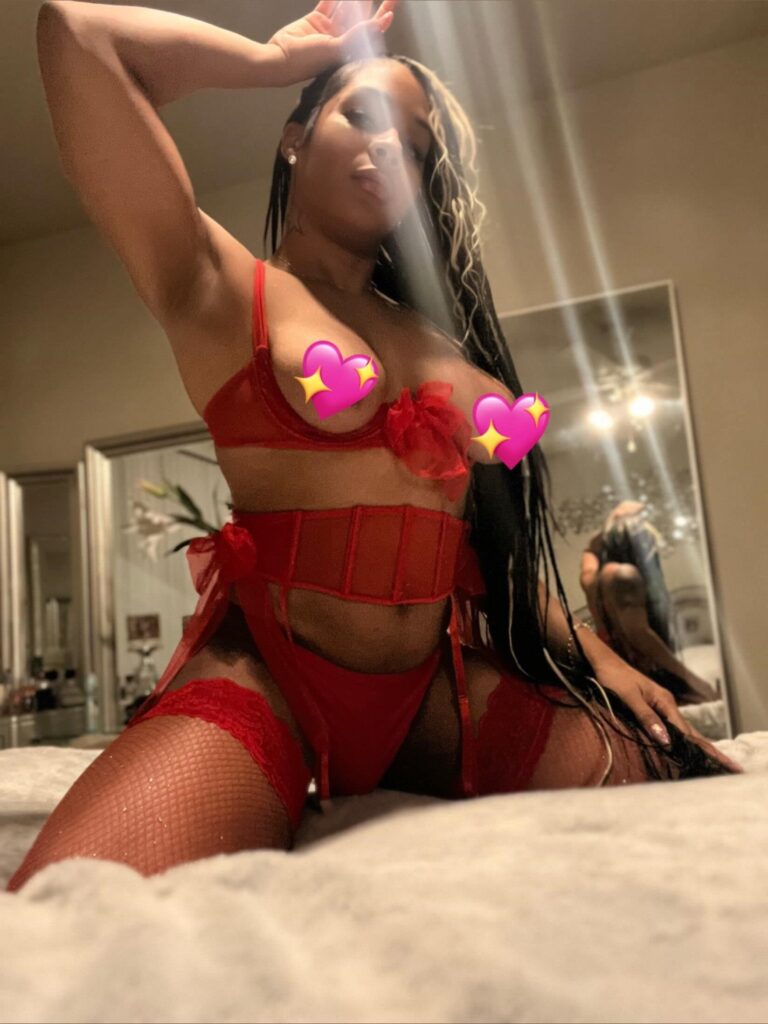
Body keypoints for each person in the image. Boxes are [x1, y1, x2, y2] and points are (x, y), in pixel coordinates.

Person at [8, 0, 742, 893]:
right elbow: (77, 36)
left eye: (417, 145)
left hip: (434, 697)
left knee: (698, 795)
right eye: (359, 113)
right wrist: (273, 61)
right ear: (293, 138)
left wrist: (602, 657)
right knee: (80, 908)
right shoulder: (215, 281)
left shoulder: (441, 338)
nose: (390, 146)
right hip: (268, 681)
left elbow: (494, 553)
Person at [580, 502, 719, 706]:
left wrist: (612, 525)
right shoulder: (624, 576)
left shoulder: (590, 579)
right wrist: (695, 682)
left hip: (617, 674)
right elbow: (640, 636)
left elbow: (590, 551)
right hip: (646, 674)